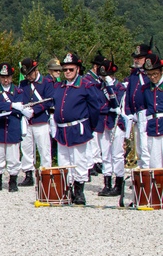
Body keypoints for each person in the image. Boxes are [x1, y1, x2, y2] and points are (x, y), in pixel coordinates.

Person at [51, 52, 111, 205]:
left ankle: (79, 192)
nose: (67, 72)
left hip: (78, 128)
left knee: (79, 160)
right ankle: (67, 190)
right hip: (62, 129)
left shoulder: (86, 86)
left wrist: (89, 126)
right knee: (64, 161)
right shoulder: (59, 86)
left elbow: (95, 108)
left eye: (71, 69)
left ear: (78, 69)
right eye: (65, 69)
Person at [90, 55, 126, 197]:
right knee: (105, 154)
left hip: (115, 122)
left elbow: (116, 103)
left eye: (107, 75)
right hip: (103, 122)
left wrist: (110, 86)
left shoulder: (119, 87)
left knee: (117, 154)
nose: (105, 78)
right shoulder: (99, 87)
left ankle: (119, 183)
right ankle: (107, 183)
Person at [0, 63, 25, 192]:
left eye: (8, 77)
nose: (5, 80)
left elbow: (20, 108)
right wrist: (11, 106)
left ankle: (13, 181)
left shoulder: (18, 91)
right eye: (3, 77)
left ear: (12, 77)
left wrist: (6, 107)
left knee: (13, 157)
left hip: (13, 126)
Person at [18, 58, 54, 186]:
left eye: (30, 73)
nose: (28, 76)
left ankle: (46, 174)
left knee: (44, 149)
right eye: (26, 74)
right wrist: (23, 111)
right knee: (26, 148)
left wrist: (34, 111)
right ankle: (28, 174)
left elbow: (49, 101)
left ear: (36, 70)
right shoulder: (23, 84)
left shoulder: (46, 83)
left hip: (41, 120)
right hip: (27, 121)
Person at [126, 42, 152, 168]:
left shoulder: (151, 74)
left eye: (139, 58)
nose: (136, 60)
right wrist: (129, 112)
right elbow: (129, 93)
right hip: (135, 114)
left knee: (145, 146)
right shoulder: (134, 74)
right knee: (138, 147)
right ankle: (141, 171)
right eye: (135, 58)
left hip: (146, 113)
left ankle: (148, 172)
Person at [139, 53, 163, 168]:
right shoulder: (145, 89)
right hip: (153, 127)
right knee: (154, 164)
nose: (152, 77)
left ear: (161, 71)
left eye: (155, 74)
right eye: (149, 74)